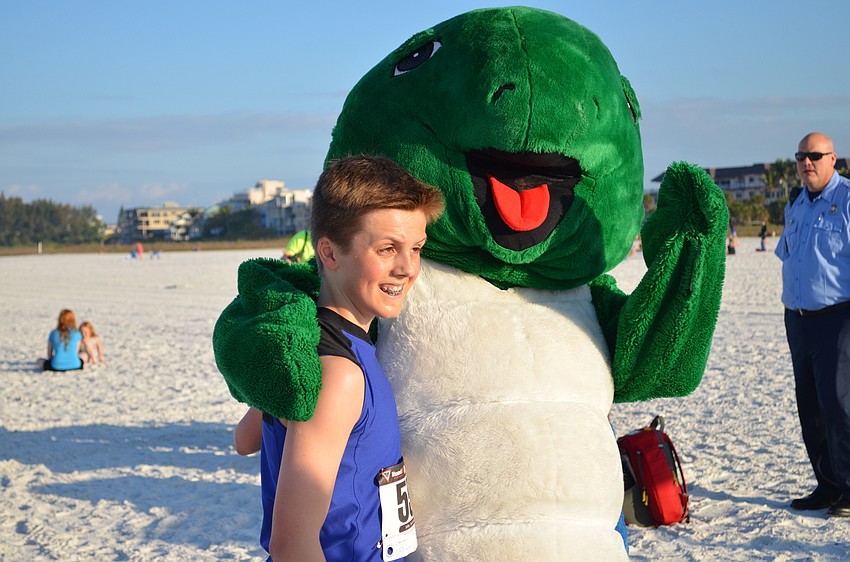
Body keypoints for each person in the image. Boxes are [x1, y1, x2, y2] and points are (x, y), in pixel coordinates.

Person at [234, 155, 444, 561]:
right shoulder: (340, 373)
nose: (407, 268)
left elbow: (244, 441)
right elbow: (291, 543)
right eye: (387, 249)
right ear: (329, 254)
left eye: (416, 248)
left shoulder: (303, 347)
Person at [775, 132, 850, 517]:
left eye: (815, 155)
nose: (807, 162)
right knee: (810, 405)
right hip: (798, 319)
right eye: (801, 156)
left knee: (839, 404)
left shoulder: (847, 199)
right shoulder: (796, 203)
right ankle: (828, 485)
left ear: (832, 158)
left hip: (837, 318)